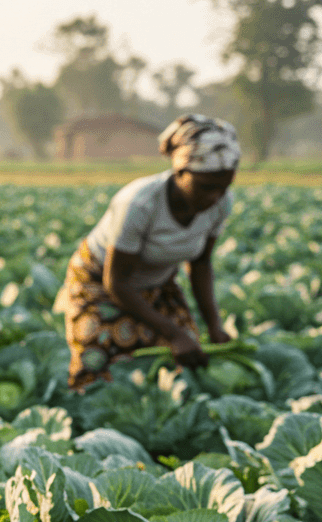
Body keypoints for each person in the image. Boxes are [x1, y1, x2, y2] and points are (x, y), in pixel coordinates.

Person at [58, 114, 238, 390]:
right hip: (100, 281)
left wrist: (215, 325)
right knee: (100, 361)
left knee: (185, 357)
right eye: (205, 187)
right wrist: (173, 334)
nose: (214, 197)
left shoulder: (221, 204)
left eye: (223, 187)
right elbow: (116, 283)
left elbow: (200, 264)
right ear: (180, 171)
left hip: (158, 283)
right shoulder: (139, 203)